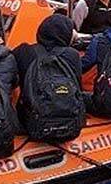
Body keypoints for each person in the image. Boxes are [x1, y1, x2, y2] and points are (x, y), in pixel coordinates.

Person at [14, 14, 85, 142]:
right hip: (70, 121)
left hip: (31, 121)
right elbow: (78, 88)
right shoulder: (72, 55)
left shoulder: (23, 51)